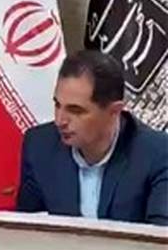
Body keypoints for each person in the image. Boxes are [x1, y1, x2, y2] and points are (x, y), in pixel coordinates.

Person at [17, 50, 167, 225]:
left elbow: (160, 237)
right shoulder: (39, 146)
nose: (60, 121)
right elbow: (25, 231)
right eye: (57, 105)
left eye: (75, 110)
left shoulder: (158, 155)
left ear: (114, 112)